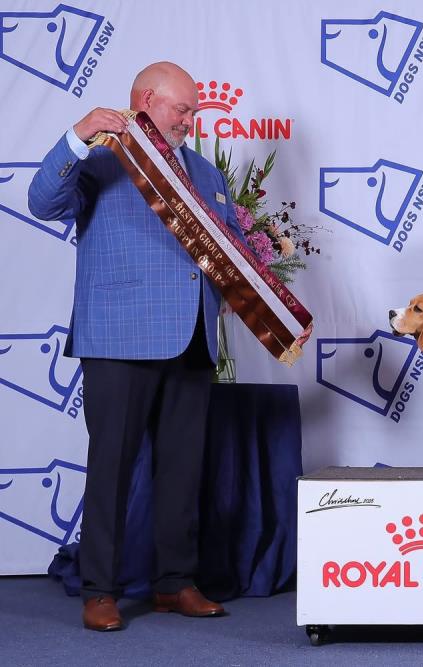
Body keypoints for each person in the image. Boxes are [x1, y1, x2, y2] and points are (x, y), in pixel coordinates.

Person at [28, 62, 246, 631]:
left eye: (194, 111)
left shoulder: (205, 172)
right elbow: (41, 202)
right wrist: (77, 136)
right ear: (146, 100)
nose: (190, 121)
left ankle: (175, 582)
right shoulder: (102, 158)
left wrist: (249, 296)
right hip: (118, 337)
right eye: (182, 109)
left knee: (182, 470)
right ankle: (100, 588)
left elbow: (232, 250)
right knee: (112, 467)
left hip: (192, 337)